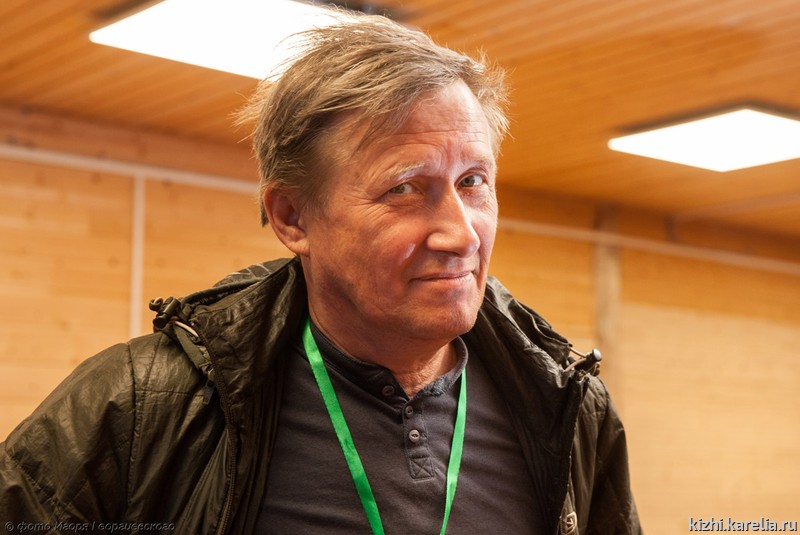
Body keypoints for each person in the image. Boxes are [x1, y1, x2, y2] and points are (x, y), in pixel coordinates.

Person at [0, 12, 641, 535]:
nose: (461, 233)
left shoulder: (568, 408)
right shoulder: (144, 409)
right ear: (293, 217)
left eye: (473, 182)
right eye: (404, 189)